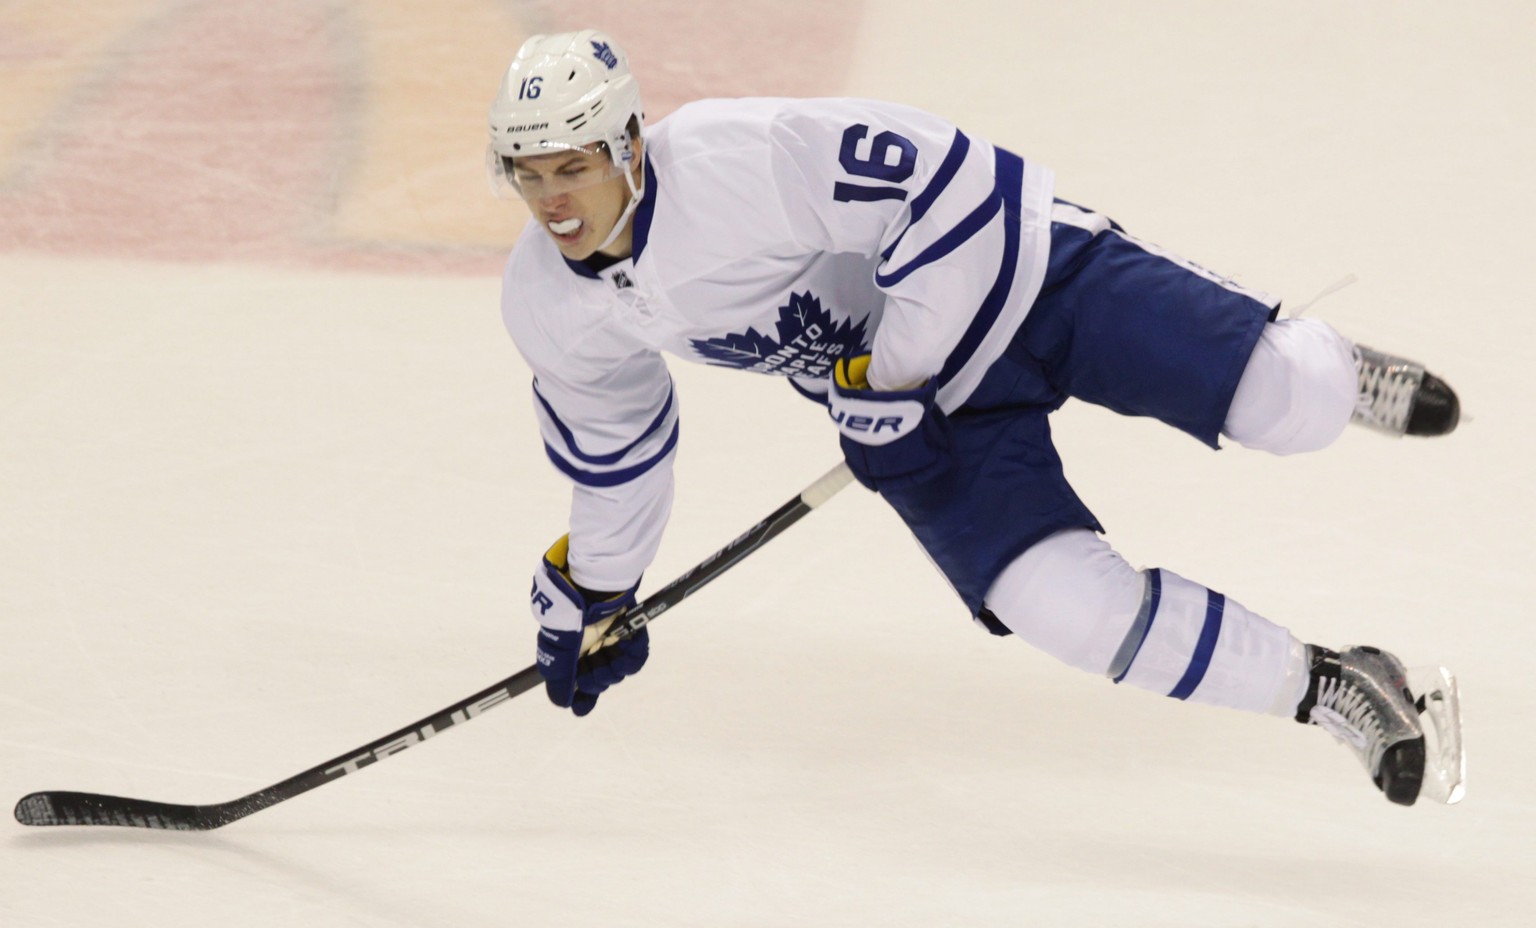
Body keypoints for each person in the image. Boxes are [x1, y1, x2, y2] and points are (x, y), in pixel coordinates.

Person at [488, 30, 1464, 806]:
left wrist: (889, 373)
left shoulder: (740, 156)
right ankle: (1339, 684)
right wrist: (595, 587)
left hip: (1022, 277)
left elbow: (951, 181)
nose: (552, 201)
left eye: (571, 166)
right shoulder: (548, 299)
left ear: (627, 144)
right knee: (1068, 611)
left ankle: (1330, 366)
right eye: (528, 175)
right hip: (926, 417)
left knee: (1287, 401)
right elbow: (618, 448)